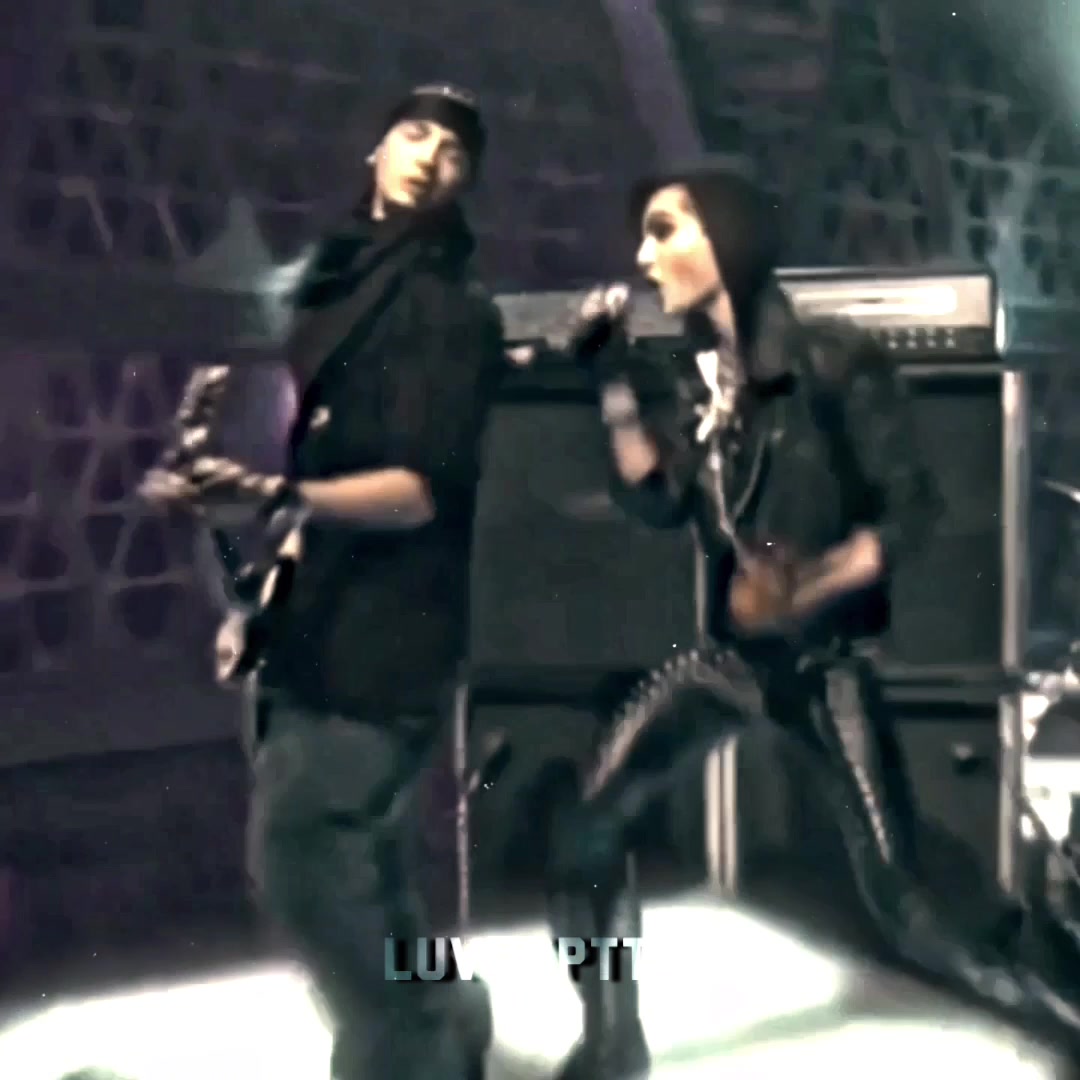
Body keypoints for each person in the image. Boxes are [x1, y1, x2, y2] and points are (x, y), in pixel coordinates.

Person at [548, 159, 1080, 1077]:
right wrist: (610, 383)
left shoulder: (831, 360)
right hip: (732, 662)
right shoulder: (699, 380)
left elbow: (910, 512)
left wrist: (813, 583)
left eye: (665, 230)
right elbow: (659, 499)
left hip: (826, 669)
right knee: (585, 825)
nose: (643, 256)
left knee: (910, 901)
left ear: (727, 237)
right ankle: (610, 1041)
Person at [144, 85, 504, 1080]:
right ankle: (442, 1012)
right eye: (414, 133)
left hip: (387, 634)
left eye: (456, 152)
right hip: (322, 620)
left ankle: (407, 1045)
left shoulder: (449, 312)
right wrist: (268, 598)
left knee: (304, 859)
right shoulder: (338, 284)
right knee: (369, 867)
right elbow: (324, 471)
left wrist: (268, 492)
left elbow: (418, 492)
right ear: (375, 150)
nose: (430, 156)